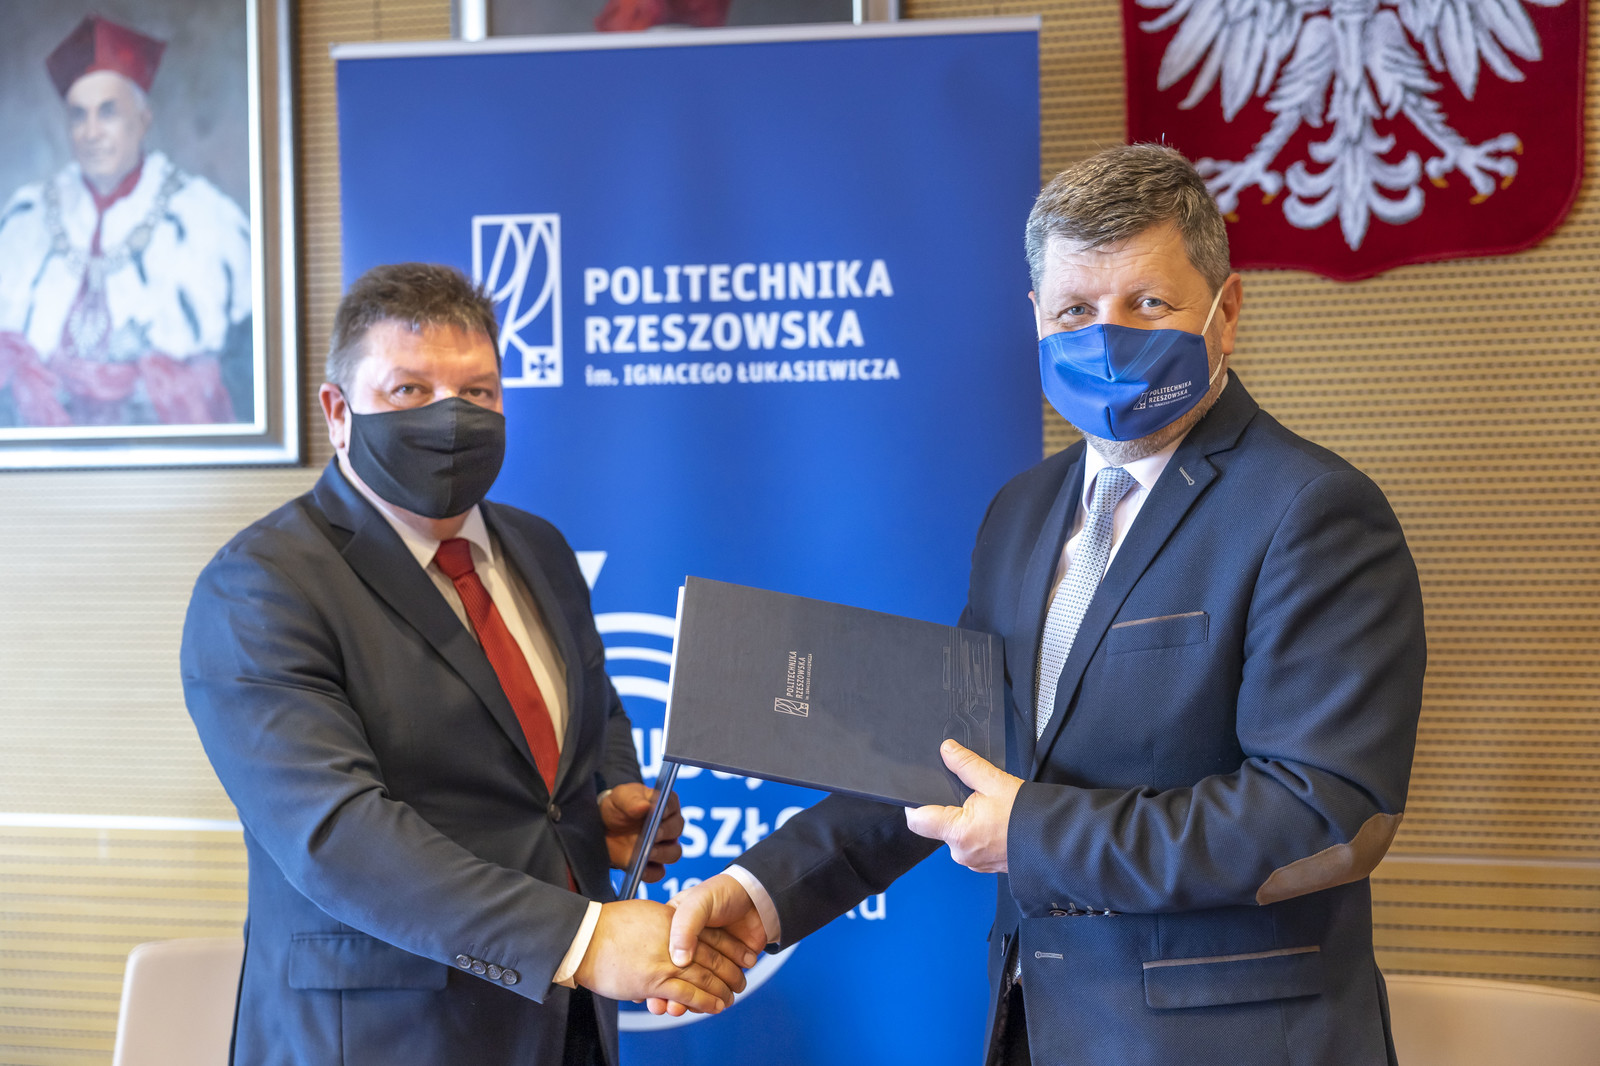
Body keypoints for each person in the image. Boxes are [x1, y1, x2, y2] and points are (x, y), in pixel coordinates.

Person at [668, 145, 1427, 1066]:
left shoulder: (1313, 511)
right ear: (1036, 316)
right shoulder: (1022, 512)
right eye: (1075, 311)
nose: (1106, 337)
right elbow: (945, 751)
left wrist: (1033, 833)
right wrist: (763, 892)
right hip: (1036, 1027)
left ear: (1226, 312)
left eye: (1148, 303)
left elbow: (1325, 815)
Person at [181, 264, 755, 1066]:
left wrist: (606, 797)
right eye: (410, 390)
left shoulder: (540, 548)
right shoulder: (262, 585)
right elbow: (335, 834)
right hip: (387, 1037)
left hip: (569, 1024)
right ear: (339, 413)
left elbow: (595, 712)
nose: (451, 417)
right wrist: (586, 938)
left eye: (478, 392)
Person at [0, 14, 251, 427]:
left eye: (108, 112)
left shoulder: (203, 218)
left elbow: (240, 374)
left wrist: (153, 381)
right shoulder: (25, 220)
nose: (91, 132)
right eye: (78, 116)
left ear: (142, 119)